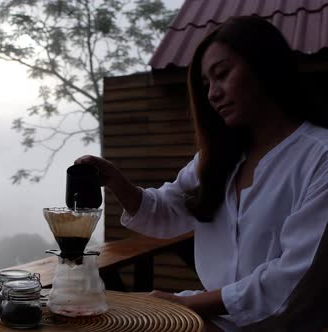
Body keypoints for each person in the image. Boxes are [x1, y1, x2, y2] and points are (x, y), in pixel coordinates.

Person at [76, 16, 328, 331]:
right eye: (206, 84)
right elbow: (165, 210)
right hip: (213, 319)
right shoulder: (218, 159)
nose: (212, 95)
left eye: (222, 75)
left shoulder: (319, 156)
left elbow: (294, 275)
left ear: (265, 65)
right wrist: (116, 182)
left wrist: (185, 305)